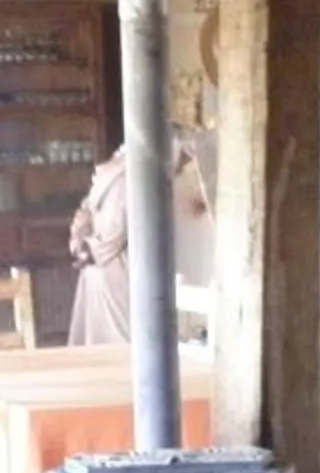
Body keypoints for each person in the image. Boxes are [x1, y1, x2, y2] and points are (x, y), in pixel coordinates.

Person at [66, 134, 211, 347]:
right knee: (127, 338)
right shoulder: (131, 178)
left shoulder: (119, 173)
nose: (180, 171)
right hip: (114, 270)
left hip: (103, 266)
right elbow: (113, 234)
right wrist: (87, 249)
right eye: (181, 164)